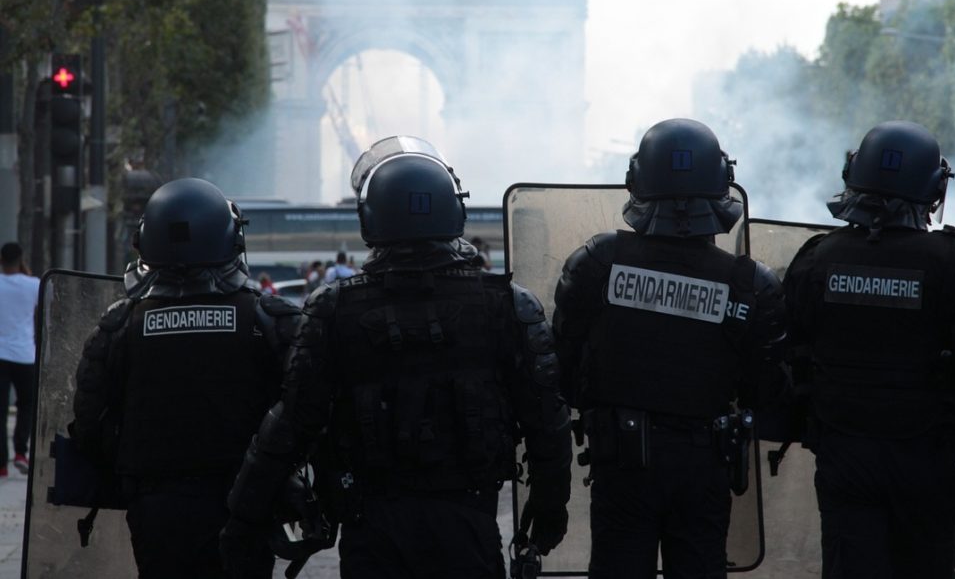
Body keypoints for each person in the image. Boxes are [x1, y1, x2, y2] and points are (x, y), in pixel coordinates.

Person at [221, 136, 572, 578]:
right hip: (468, 522)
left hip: (372, 531)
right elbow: (547, 421)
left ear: (371, 218)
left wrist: (244, 517)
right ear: (454, 210)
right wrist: (550, 509)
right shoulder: (508, 305)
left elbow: (292, 423)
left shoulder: (332, 309)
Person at [783, 120, 955, 579]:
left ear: (854, 175)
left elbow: (787, 353)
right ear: (933, 188)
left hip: (844, 453)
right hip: (925, 459)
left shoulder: (818, 257)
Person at [551, 118, 787, 579]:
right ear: (722, 184)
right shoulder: (751, 284)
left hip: (622, 463)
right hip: (705, 467)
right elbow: (767, 394)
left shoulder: (598, 262)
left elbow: (563, 370)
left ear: (637, 182)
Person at [70, 178, 298, 579]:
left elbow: (88, 420)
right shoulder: (268, 318)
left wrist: (125, 470)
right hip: (245, 499)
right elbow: (306, 409)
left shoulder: (120, 323)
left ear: (147, 239)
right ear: (231, 239)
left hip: (156, 503)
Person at [0, 242, 40, 478]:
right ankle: (21, 453)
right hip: (25, 354)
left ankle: (1, 464)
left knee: (1, 409)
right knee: (27, 404)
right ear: (21, 258)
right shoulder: (33, 285)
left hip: (0, 355)